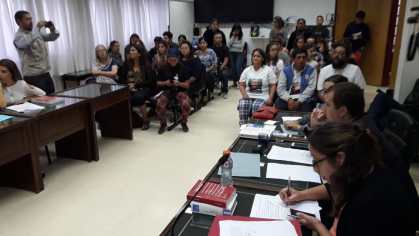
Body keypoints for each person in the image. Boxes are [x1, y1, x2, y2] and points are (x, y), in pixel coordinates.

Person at [280, 122, 416, 236]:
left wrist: (317, 226)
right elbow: (334, 186)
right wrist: (301, 195)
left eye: (317, 161)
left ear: (339, 158)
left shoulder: (363, 208)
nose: (315, 168)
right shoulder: (366, 167)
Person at [13, 10, 59, 95]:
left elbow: (52, 37)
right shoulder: (18, 37)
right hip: (33, 77)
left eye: (31, 19)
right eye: (27, 19)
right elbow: (27, 43)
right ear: (19, 22)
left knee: (53, 98)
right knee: (41, 103)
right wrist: (37, 28)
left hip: (45, 73)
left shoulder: (36, 33)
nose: (31, 21)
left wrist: (52, 29)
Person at [284, 75, 348, 131]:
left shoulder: (339, 112)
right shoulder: (325, 104)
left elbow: (324, 132)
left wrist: (298, 126)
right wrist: (297, 121)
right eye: (324, 91)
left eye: (328, 91)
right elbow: (311, 116)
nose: (324, 95)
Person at [156, 48, 194, 134]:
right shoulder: (163, 68)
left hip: (180, 91)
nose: (172, 61)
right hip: (167, 90)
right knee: (159, 103)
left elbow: (187, 85)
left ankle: (184, 122)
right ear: (167, 58)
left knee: (186, 103)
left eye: (174, 60)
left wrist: (179, 84)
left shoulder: (183, 68)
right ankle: (163, 123)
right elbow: (157, 83)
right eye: (170, 59)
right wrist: (165, 82)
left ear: (178, 58)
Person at [119, 45, 156, 130]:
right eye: (130, 51)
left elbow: (151, 82)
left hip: (145, 88)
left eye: (133, 50)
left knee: (139, 97)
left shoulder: (147, 65)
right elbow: (121, 80)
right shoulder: (126, 65)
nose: (130, 52)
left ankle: (145, 121)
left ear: (139, 54)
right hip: (129, 88)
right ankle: (133, 120)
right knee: (121, 98)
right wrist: (127, 85)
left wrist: (136, 85)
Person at [238, 49, 277, 125]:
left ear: (262, 58)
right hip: (248, 96)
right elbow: (241, 84)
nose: (255, 58)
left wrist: (270, 98)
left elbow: (273, 85)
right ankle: (243, 127)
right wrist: (244, 95)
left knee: (257, 106)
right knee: (243, 104)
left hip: (262, 97)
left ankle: (255, 128)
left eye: (258, 56)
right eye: (254, 56)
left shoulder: (268, 70)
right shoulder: (247, 70)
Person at [275, 48, 317, 112]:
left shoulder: (311, 70)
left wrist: (299, 101)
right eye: (299, 57)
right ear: (293, 59)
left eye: (304, 57)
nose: (301, 60)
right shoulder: (285, 70)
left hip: (304, 98)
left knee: (307, 105)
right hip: (288, 98)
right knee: (278, 104)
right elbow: (280, 89)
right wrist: (289, 99)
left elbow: (311, 88)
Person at [212, 32, 230, 97]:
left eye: (220, 38)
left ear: (222, 39)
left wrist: (221, 67)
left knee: (224, 73)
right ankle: (213, 87)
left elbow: (226, 59)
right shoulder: (212, 48)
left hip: (224, 66)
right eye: (217, 38)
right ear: (214, 39)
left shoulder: (225, 48)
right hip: (214, 66)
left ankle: (225, 91)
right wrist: (214, 67)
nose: (218, 39)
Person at [228, 24, 245, 88]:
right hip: (231, 53)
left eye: (238, 30)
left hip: (239, 54)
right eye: (235, 30)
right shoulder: (231, 36)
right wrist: (233, 36)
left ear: (240, 30)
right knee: (233, 69)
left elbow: (241, 47)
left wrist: (233, 46)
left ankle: (240, 83)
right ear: (233, 30)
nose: (236, 31)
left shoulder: (242, 36)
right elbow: (228, 45)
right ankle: (234, 83)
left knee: (238, 68)